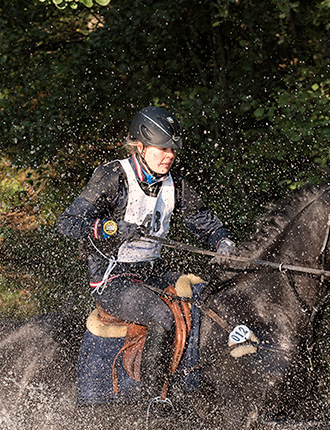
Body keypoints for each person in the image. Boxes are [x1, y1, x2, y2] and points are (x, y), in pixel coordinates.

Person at [57, 105, 236, 405]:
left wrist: (223, 243)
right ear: (140, 146)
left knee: (207, 296)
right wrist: (110, 228)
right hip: (112, 280)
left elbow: (204, 222)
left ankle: (193, 384)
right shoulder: (112, 177)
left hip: (150, 274)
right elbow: (68, 224)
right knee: (160, 316)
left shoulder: (175, 185)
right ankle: (153, 402)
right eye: (162, 149)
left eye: (172, 151)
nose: (169, 156)